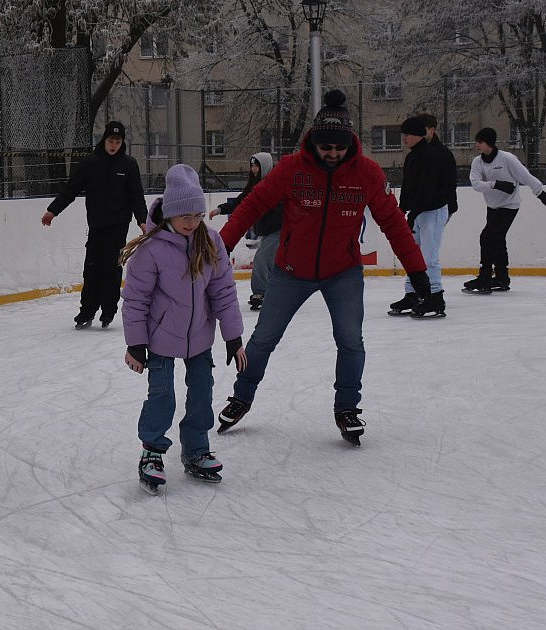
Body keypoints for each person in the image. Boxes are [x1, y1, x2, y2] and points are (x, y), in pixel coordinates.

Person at [214, 89, 431, 447]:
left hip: (341, 271)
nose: (332, 154)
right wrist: (223, 247)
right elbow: (252, 205)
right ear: (314, 141)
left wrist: (417, 272)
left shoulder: (367, 174)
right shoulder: (291, 169)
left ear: (350, 143)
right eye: (325, 147)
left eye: (339, 148)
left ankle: (347, 407)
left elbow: (393, 223)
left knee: (350, 340)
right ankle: (241, 397)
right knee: (264, 338)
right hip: (290, 270)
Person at [120, 164, 246, 492]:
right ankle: (152, 451)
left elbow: (223, 291)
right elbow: (135, 299)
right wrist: (136, 343)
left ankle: (196, 449)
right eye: (184, 217)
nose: (191, 224)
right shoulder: (151, 249)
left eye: (197, 216)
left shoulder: (211, 241)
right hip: (161, 339)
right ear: (170, 215)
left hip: (200, 338)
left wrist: (233, 336)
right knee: (162, 396)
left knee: (202, 393)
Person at [41, 121, 149, 329]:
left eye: (118, 141)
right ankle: (87, 311)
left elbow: (137, 195)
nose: (114, 145)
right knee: (92, 269)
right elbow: (71, 189)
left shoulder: (128, 165)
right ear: (104, 140)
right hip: (97, 226)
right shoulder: (90, 163)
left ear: (122, 143)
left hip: (119, 226)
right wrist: (53, 210)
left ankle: (108, 311)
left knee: (112, 268)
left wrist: (142, 220)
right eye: (111, 140)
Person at [464, 127, 546, 293]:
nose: (477, 145)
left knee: (487, 237)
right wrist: (496, 184)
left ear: (489, 143)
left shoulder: (507, 159)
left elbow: (525, 176)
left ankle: (485, 277)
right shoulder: (477, 162)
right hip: (492, 206)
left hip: (509, 206)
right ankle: (502, 278)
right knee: (497, 239)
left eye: (480, 142)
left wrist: (540, 193)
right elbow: (476, 184)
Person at [387, 116, 453, 318]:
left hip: (432, 211)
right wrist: (402, 209)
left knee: (428, 257)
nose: (404, 139)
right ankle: (413, 293)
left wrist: (413, 213)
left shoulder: (432, 156)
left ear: (418, 135)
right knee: (413, 255)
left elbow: (428, 189)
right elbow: (408, 186)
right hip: (419, 212)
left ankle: (436, 297)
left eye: (407, 135)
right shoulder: (412, 156)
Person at [210, 152, 283, 311]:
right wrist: (220, 209)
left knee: (261, 259)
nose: (254, 169)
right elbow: (241, 203)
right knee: (271, 262)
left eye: (257, 165)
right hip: (268, 231)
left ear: (265, 166)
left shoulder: (276, 183)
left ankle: (260, 293)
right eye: (252, 165)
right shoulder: (254, 185)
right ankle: (276, 292)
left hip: (280, 229)